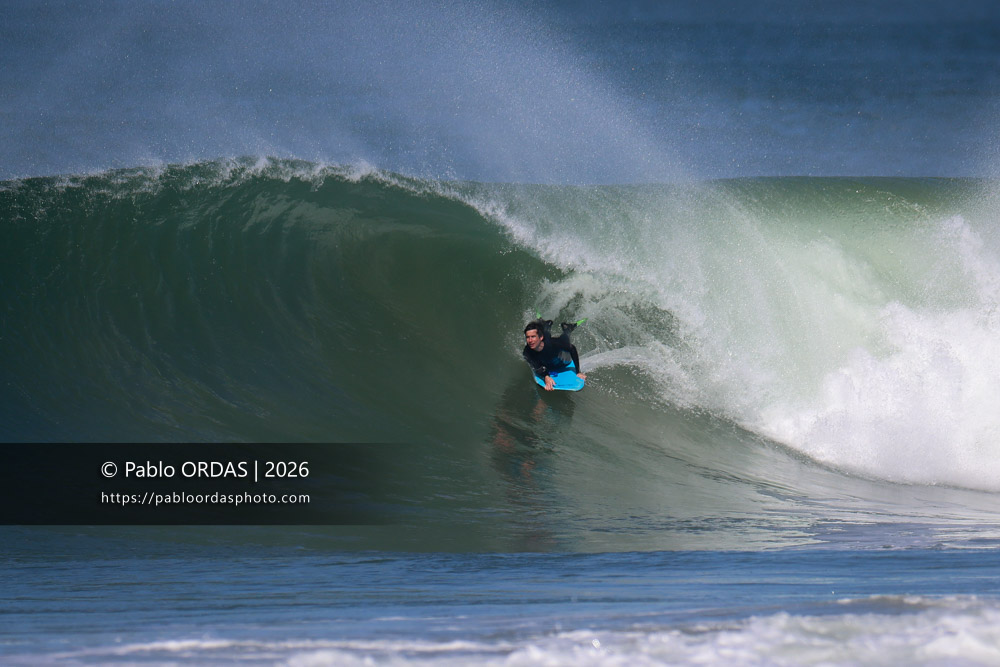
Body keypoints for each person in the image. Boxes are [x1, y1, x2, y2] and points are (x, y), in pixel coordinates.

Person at [522, 319, 586, 391]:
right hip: (548, 363)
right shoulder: (527, 352)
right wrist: (546, 376)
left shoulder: (554, 344)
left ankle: (567, 328)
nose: (530, 340)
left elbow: (572, 349)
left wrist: (578, 372)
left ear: (540, 337)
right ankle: (547, 325)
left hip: (561, 360)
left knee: (564, 338)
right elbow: (536, 366)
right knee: (546, 335)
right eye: (528, 337)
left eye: (533, 336)